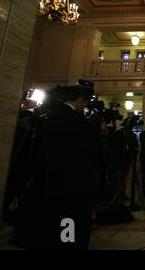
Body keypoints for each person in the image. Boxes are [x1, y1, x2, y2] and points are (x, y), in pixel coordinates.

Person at [41, 85, 100, 249]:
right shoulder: (77, 120)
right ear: (80, 99)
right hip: (76, 183)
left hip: (55, 180)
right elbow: (92, 150)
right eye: (85, 103)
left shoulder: (52, 117)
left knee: (60, 221)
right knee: (75, 222)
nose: (85, 107)